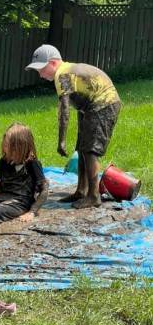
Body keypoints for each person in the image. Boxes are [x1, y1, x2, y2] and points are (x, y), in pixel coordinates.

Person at [25, 44, 121, 209]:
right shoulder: (66, 71)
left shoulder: (62, 74)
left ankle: (93, 195)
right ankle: (81, 191)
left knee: (90, 151)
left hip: (103, 103)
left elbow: (64, 113)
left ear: (53, 63)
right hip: (89, 105)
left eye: (41, 69)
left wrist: (61, 141)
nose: (40, 74)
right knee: (82, 148)